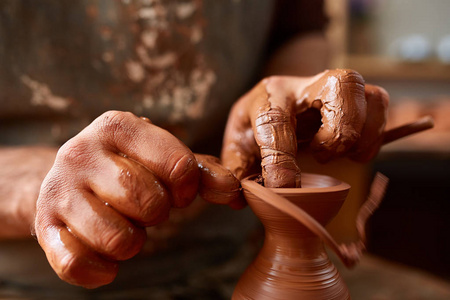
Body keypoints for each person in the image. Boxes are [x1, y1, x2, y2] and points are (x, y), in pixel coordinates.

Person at [0, 0, 391, 297]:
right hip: (26, 280)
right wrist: (36, 183)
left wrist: (294, 99)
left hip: (234, 257)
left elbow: (296, 29)